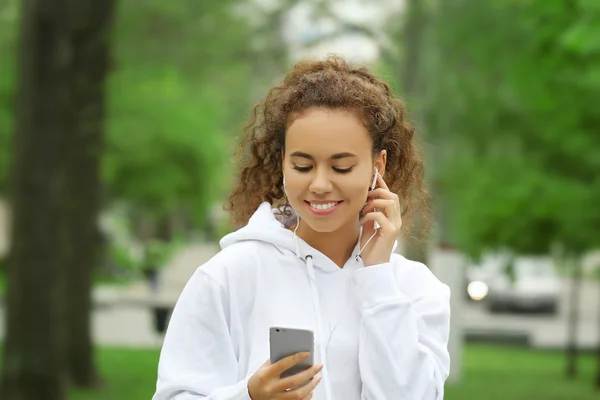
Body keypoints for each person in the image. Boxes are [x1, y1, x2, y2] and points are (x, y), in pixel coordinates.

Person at [153, 56, 451, 400]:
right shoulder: (229, 276)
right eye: (303, 165)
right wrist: (249, 396)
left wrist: (377, 279)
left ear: (377, 165)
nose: (320, 184)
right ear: (283, 164)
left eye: (341, 167)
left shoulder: (415, 289)